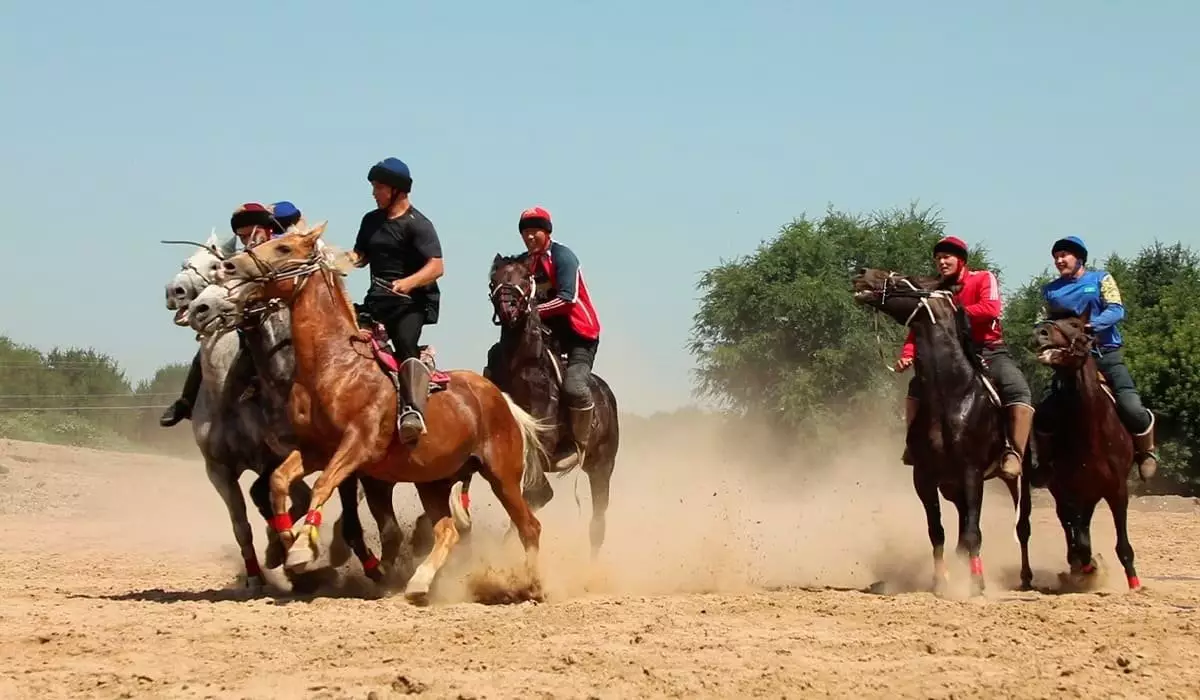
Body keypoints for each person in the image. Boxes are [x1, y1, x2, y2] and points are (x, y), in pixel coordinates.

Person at [894, 236, 1033, 479]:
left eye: (947, 257)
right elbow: (919, 327)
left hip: (988, 349)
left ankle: (1013, 452)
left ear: (961, 260)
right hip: (952, 355)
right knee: (916, 387)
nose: (942, 262)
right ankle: (913, 445)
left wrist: (951, 312)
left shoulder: (982, 278)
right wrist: (907, 355)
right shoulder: (935, 290)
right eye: (938, 259)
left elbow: (991, 308)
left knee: (1018, 389)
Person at [1038, 235, 1159, 480]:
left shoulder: (1101, 279)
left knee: (1132, 408)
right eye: (1056, 257)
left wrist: (1092, 326)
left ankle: (1146, 452)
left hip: (1106, 355)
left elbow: (1117, 309)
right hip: (1070, 362)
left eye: (1065, 255)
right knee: (1045, 413)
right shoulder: (1050, 290)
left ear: (1079, 257)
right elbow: (1046, 322)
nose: (1060, 260)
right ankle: (1044, 462)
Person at [491, 205, 601, 471]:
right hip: (543, 336)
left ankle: (578, 442)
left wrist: (530, 310)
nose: (529, 237)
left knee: (574, 386)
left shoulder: (564, 257)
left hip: (578, 335)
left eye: (535, 231)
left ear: (547, 232)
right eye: (525, 232)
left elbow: (567, 298)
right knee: (496, 357)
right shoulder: (522, 262)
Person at [159, 202, 287, 427]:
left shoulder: (281, 249)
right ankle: (187, 401)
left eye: (250, 235)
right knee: (209, 347)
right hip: (245, 318)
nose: (247, 241)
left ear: (265, 230)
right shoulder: (240, 258)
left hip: (281, 316)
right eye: (242, 237)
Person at [349, 157, 444, 445]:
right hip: (377, 301)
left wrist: (408, 283)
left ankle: (412, 412)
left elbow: (437, 266)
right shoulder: (370, 221)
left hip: (411, 304)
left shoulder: (419, 224)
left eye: (378, 187)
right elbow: (361, 257)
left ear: (397, 190)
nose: (374, 193)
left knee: (404, 346)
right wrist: (340, 260)